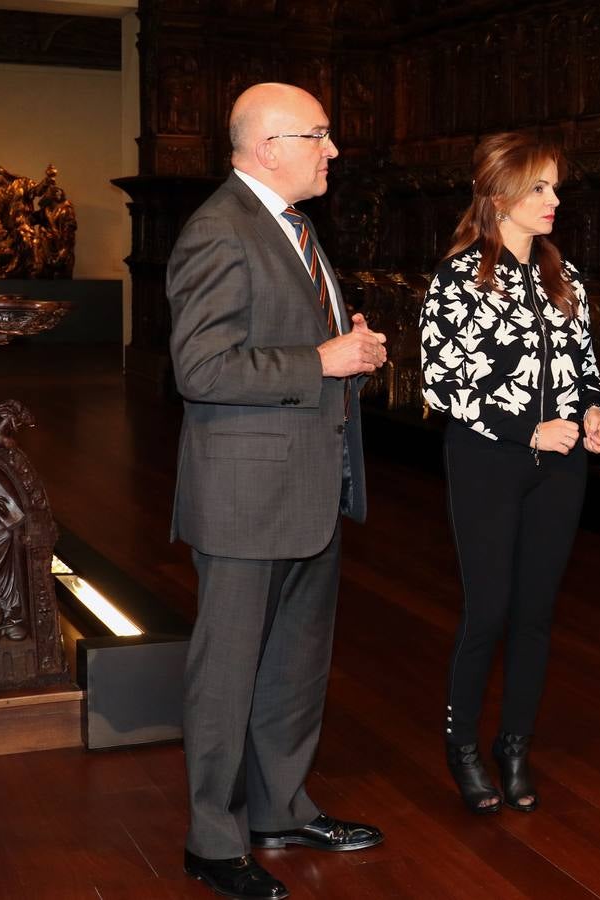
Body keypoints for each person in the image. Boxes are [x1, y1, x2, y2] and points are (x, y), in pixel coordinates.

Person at [167, 82, 388, 900]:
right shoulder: (219, 231)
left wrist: (349, 349)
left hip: (305, 489)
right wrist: (319, 364)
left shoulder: (292, 227)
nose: (333, 150)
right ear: (268, 148)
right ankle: (212, 841)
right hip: (244, 498)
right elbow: (201, 368)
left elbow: (291, 339)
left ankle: (280, 808)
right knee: (226, 676)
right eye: (319, 136)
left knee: (293, 665)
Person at [420, 132, 600, 816]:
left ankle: (515, 744)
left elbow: (585, 366)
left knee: (535, 614)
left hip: (560, 471)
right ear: (499, 195)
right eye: (540, 188)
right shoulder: (460, 278)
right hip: (488, 464)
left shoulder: (567, 279)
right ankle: (462, 746)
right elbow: (442, 385)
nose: (554, 200)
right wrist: (524, 428)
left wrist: (594, 412)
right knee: (488, 611)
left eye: (555, 187)